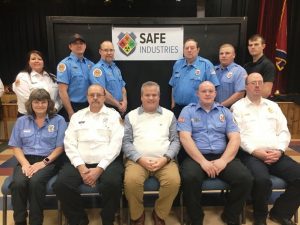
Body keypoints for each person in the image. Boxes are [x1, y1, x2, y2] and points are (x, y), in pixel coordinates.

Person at [178, 81, 253, 225]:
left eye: (211, 91)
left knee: (244, 178)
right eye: (204, 91)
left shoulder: (224, 111)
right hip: (196, 156)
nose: (207, 94)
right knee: (189, 178)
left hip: (222, 156)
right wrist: (202, 161)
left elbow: (235, 137)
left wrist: (224, 160)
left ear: (215, 93)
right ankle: (195, 218)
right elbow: (185, 138)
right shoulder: (188, 111)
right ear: (197, 94)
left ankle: (230, 216)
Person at [231, 73, 300, 225]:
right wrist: (255, 151)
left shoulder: (273, 106)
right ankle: (260, 217)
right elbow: (238, 135)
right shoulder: (237, 107)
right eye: (253, 82)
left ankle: (280, 213)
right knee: (262, 180)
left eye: (260, 82)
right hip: (251, 155)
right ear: (246, 86)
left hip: (276, 153)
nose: (257, 85)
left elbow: (284, 131)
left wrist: (280, 150)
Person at [53, 84, 124, 225]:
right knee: (61, 185)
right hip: (79, 162)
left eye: (99, 94)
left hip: (107, 162)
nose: (95, 98)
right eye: (92, 95)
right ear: (87, 97)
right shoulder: (77, 116)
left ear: (104, 97)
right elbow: (69, 143)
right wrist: (80, 166)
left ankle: (108, 218)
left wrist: (99, 169)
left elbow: (116, 145)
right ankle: (78, 219)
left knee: (113, 183)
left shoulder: (114, 115)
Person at [123, 81, 181, 225]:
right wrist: (139, 159)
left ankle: (159, 214)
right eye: (147, 95)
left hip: (164, 161)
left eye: (154, 95)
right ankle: (137, 215)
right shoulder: (131, 116)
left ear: (159, 97)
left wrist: (166, 158)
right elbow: (126, 142)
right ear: (141, 97)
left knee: (174, 182)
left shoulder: (169, 115)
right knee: (131, 182)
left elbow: (175, 141)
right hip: (137, 161)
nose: (151, 98)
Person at [8, 88, 67, 225]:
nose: (40, 105)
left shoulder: (59, 120)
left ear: (49, 103)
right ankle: (20, 221)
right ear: (30, 103)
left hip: (49, 160)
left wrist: (43, 163)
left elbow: (60, 147)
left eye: (43, 102)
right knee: (18, 183)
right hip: (26, 160)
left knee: (35, 183)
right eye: (36, 102)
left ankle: (36, 221)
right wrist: (25, 164)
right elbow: (15, 146)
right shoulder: (22, 121)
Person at [169, 38, 219, 118]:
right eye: (186, 48)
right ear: (183, 50)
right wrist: (173, 104)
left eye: (192, 48)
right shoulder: (178, 64)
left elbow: (214, 87)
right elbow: (173, 85)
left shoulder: (206, 64)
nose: (189, 50)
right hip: (178, 109)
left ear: (198, 50)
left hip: (198, 109)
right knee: (178, 130)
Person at [57, 33, 94, 121]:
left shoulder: (91, 64)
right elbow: (62, 91)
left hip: (89, 106)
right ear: (70, 46)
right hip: (73, 106)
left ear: (85, 46)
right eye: (75, 43)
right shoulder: (65, 64)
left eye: (81, 43)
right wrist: (70, 112)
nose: (79, 46)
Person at [12, 50, 62, 117]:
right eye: (33, 59)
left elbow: (60, 97)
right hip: (29, 116)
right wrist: (43, 111)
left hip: (51, 114)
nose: (36, 61)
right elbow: (26, 99)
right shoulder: (22, 77)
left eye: (39, 59)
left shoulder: (53, 77)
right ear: (28, 62)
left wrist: (55, 108)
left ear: (43, 62)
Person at [89, 40, 127, 115]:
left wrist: (125, 102)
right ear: (100, 51)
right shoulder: (97, 70)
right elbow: (101, 92)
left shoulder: (115, 68)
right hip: (106, 109)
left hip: (120, 107)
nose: (109, 53)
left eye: (111, 50)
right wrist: (118, 105)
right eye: (106, 50)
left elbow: (123, 88)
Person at [215, 43, 247, 107]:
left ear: (234, 55)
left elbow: (240, 94)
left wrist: (221, 106)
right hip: (213, 110)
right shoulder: (213, 70)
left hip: (231, 110)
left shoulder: (240, 71)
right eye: (221, 53)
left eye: (227, 53)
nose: (223, 56)